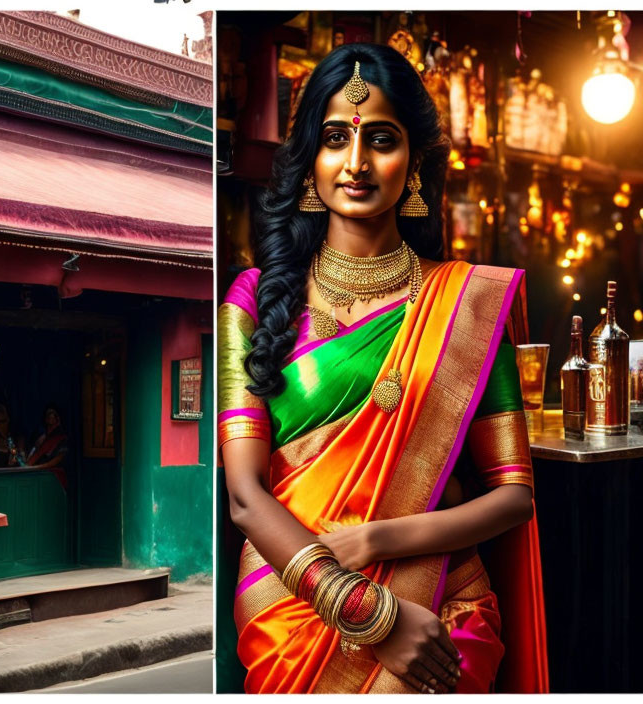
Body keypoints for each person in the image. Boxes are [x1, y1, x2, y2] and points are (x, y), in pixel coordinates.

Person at [219, 43, 547, 695]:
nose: (358, 162)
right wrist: (367, 612)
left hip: (442, 608)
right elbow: (246, 497)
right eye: (336, 137)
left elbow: (514, 494)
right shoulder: (254, 300)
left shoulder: (466, 304)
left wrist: (374, 543)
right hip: (295, 608)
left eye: (382, 139)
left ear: (416, 161)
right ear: (310, 156)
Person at [26, 405, 69, 489]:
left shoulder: (62, 439)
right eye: (49, 416)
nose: (51, 418)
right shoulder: (42, 438)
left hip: (54, 479)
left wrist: (36, 468)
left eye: (54, 416)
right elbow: (31, 458)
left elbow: (56, 461)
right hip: (37, 478)